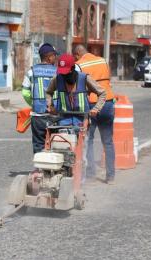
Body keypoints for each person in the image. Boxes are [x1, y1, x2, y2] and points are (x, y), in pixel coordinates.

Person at [45, 53, 111, 182]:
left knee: (81, 155)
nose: (64, 75)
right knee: (61, 149)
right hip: (63, 120)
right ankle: (61, 179)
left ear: (72, 68)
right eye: (61, 72)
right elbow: (48, 92)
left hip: (82, 121)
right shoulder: (57, 79)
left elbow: (102, 93)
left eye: (66, 72)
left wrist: (96, 109)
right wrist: (50, 105)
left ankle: (79, 184)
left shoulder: (84, 78)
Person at [73, 45, 116, 185]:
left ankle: (91, 173)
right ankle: (110, 177)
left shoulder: (78, 65)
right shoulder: (103, 61)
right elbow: (108, 80)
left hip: (91, 105)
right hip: (108, 102)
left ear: (78, 54)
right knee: (108, 141)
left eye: (75, 56)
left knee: (88, 140)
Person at [21, 43, 57, 154]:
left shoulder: (31, 72)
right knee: (56, 142)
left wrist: (33, 103)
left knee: (38, 143)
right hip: (54, 115)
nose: (55, 58)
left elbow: (25, 92)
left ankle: (38, 169)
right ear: (49, 57)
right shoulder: (58, 72)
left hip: (37, 115)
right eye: (54, 55)